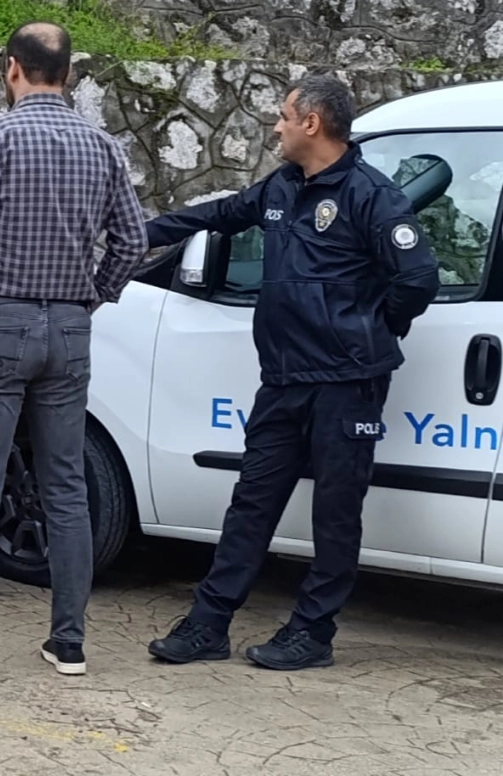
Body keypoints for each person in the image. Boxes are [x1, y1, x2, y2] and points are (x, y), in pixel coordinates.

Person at [145, 75, 440, 671]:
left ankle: (312, 633)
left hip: (347, 383)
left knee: (335, 513)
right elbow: (221, 214)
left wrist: (370, 329)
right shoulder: (282, 186)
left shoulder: (371, 196)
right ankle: (208, 623)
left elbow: (417, 279)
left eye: (283, 116)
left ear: (312, 122)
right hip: (283, 378)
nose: (275, 127)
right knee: (251, 504)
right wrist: (137, 232)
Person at [0, 22, 147, 682]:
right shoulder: (102, 147)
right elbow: (133, 241)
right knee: (66, 488)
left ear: (11, 69)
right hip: (68, 327)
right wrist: (92, 298)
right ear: (68, 74)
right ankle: (68, 642)